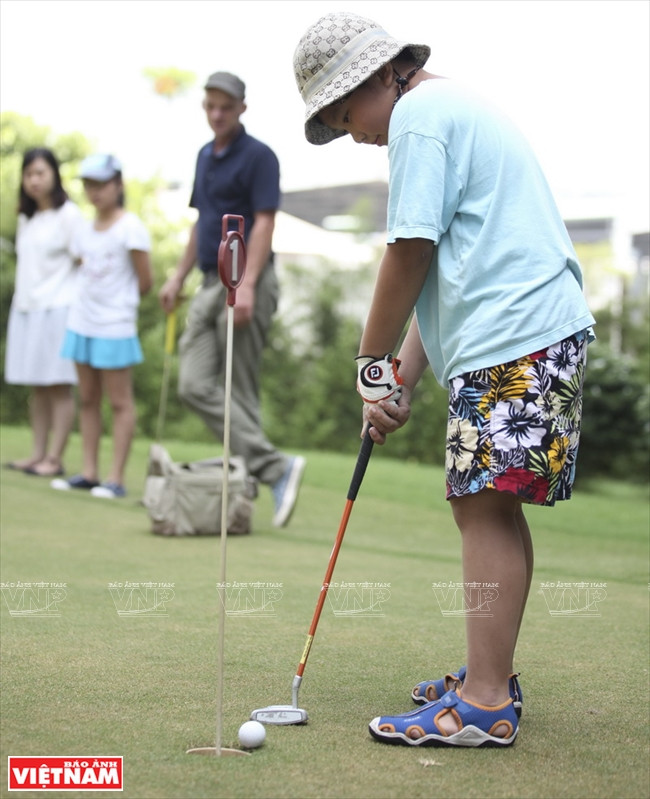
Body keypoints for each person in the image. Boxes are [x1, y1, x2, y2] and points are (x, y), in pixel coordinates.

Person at [294, 12, 595, 747]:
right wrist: (396, 378)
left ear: (376, 76)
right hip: (533, 328)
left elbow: (407, 250)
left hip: (517, 332)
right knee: (492, 505)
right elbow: (440, 274)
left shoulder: (419, 118)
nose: (349, 130)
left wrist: (367, 366)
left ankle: (486, 701)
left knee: (483, 507)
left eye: (343, 112)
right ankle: (489, 673)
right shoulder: (446, 108)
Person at [159, 70, 305, 528]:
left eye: (225, 106)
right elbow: (200, 221)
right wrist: (177, 276)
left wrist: (246, 283)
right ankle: (276, 468)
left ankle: (251, 485)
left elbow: (264, 223)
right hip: (206, 283)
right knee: (193, 383)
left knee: (240, 390)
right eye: (209, 106)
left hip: (243, 283)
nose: (216, 114)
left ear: (242, 107)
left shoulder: (260, 156)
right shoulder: (205, 155)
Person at [51, 154, 153, 499]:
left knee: (120, 402)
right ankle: (90, 472)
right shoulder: (82, 228)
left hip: (115, 325)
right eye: (89, 184)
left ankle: (115, 478)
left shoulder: (131, 227)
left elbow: (145, 281)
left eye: (101, 183)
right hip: (81, 321)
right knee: (88, 399)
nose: (94, 191)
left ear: (117, 184)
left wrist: (117, 306)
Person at [4, 147, 83, 477]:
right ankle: (37, 454)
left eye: (40, 172)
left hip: (59, 310)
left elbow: (84, 262)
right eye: (29, 174)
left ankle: (54, 457)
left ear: (54, 175)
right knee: (37, 385)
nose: (34, 180)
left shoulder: (70, 216)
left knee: (58, 385)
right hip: (26, 309)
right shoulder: (27, 218)